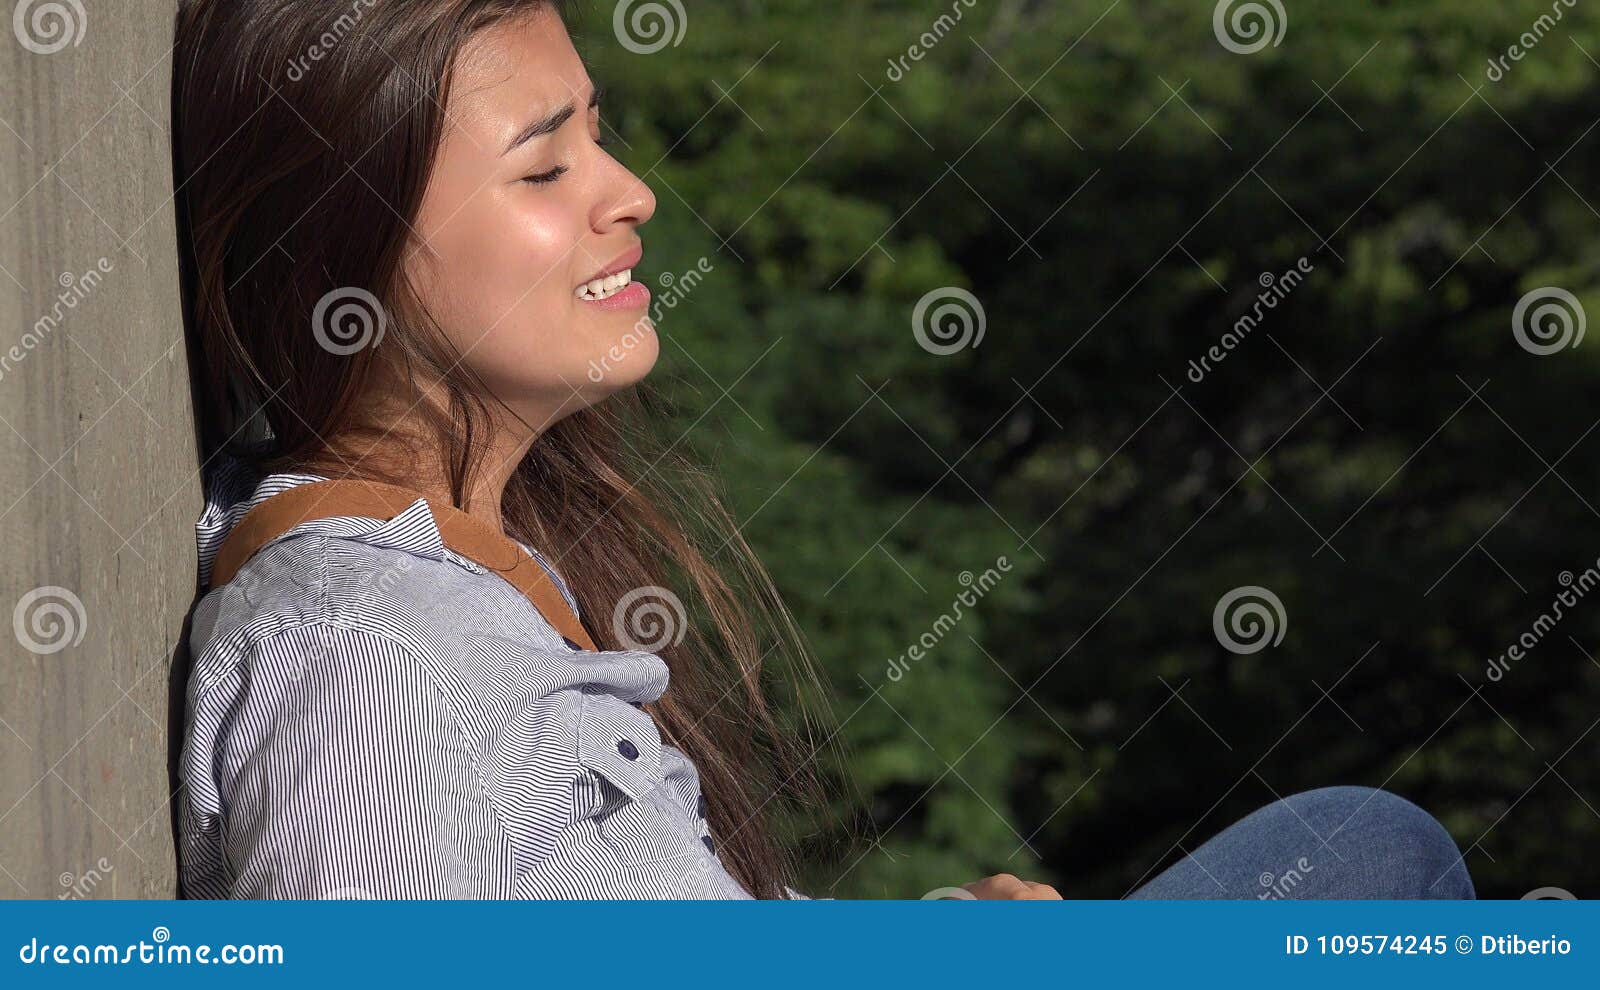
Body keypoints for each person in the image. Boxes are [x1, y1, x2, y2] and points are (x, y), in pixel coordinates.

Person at [170, 0, 1474, 901]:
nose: (629, 194)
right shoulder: (362, 665)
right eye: (543, 168)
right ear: (347, 252)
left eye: (598, 135)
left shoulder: (472, 559)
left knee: (1369, 848)